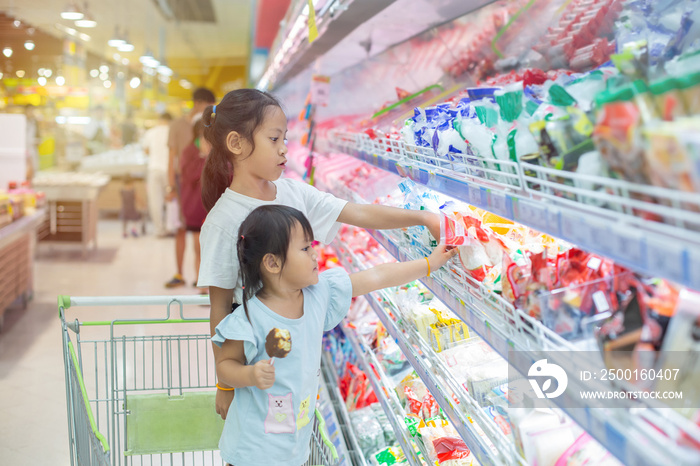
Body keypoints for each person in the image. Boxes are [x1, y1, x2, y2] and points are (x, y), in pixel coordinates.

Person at [197, 89, 441, 419]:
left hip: (298, 354)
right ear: (237, 144)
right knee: (260, 443)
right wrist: (225, 383)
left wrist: (423, 218)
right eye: (273, 139)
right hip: (256, 360)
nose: (284, 149)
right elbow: (220, 307)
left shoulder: (293, 192)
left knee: (291, 436)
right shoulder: (223, 220)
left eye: (285, 137)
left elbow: (358, 212)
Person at [212, 205, 456, 466]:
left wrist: (429, 264)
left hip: (294, 445)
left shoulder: (319, 293)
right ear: (272, 263)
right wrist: (249, 375)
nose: (315, 255)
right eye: (305, 248)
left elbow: (376, 276)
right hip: (252, 451)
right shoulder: (249, 319)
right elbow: (225, 366)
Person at [165, 87, 216, 288]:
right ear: (200, 103)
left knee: (198, 235)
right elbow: (171, 159)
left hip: (200, 186)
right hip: (181, 183)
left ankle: (199, 278)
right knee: (180, 230)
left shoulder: (210, 124)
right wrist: (170, 188)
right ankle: (179, 273)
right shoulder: (178, 125)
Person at [179, 119, 210, 292]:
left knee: (209, 248)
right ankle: (202, 285)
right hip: (195, 207)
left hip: (213, 207)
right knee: (199, 246)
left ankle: (207, 282)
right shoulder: (190, 151)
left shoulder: (218, 151)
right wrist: (204, 158)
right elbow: (190, 175)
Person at [142, 112, 172, 237]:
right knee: (171, 200)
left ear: (160, 119)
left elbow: (146, 151)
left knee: (155, 201)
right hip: (169, 170)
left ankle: (158, 230)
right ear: (170, 121)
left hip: (154, 169)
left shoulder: (151, 132)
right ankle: (171, 227)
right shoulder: (171, 131)